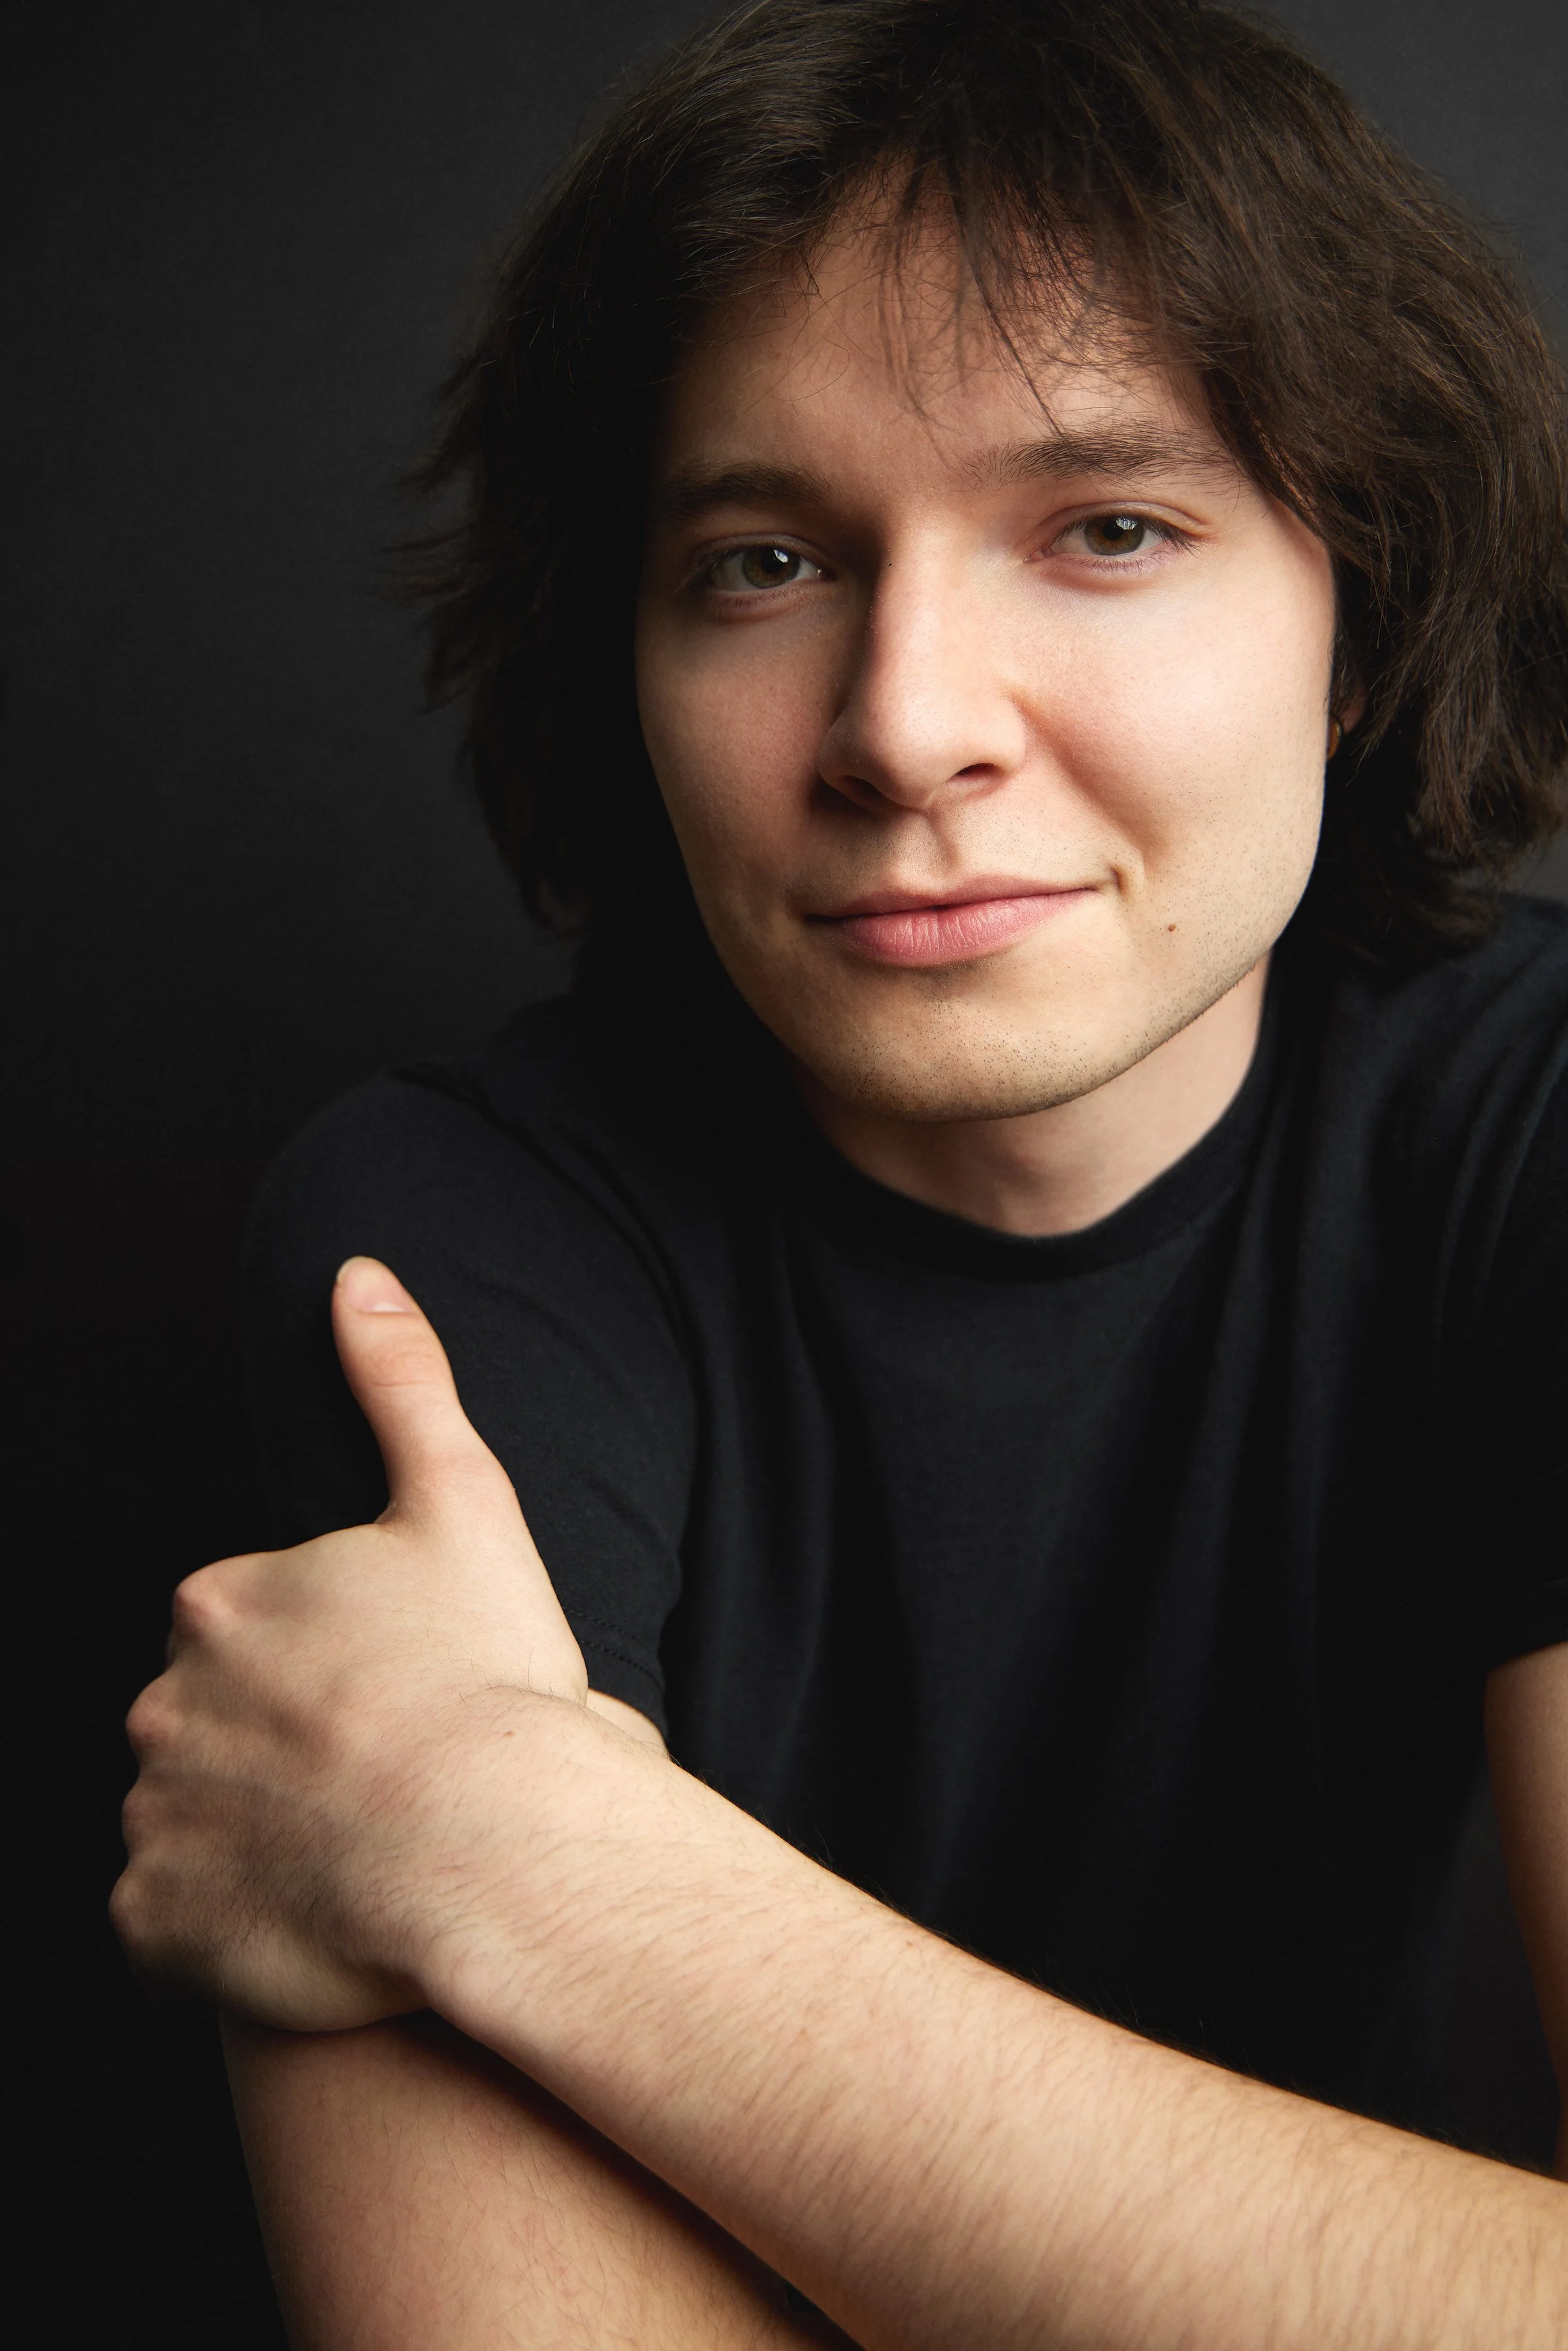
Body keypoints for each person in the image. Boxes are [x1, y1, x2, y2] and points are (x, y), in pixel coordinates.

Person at [112, 0, 1568, 2341]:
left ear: (1365, 618)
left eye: (1105, 528)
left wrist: (524, 1852)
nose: (901, 726)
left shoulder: (1525, 1128)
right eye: (766, 562)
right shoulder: (456, 1242)